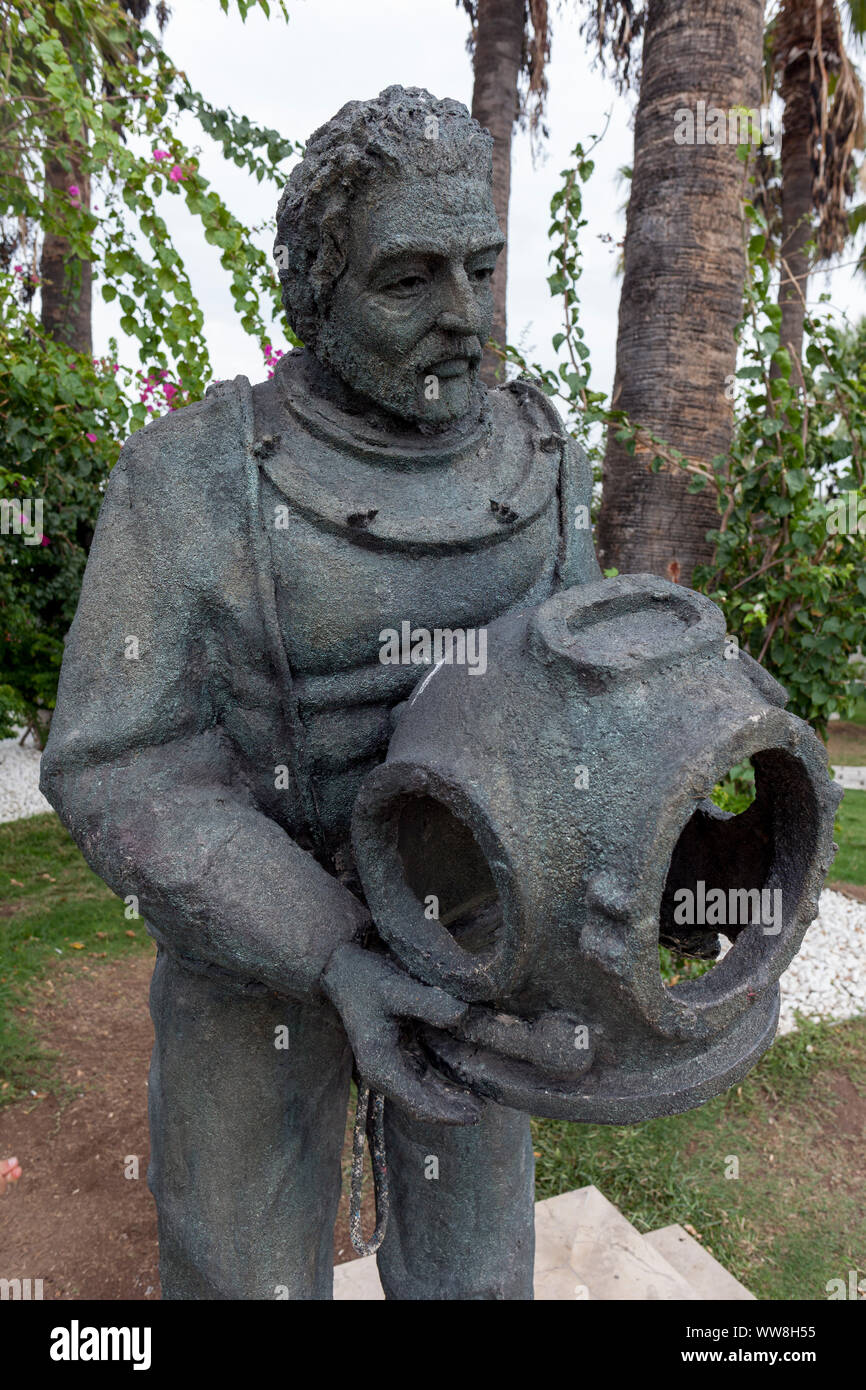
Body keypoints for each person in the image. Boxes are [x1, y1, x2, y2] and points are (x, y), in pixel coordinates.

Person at [41, 86, 600, 1300]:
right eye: (409, 279)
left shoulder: (543, 460)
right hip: (254, 966)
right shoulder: (190, 479)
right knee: (238, 1272)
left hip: (467, 948)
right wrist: (327, 949)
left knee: (479, 1272)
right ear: (315, 285)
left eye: (481, 268)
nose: (462, 315)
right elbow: (116, 764)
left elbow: (581, 717)